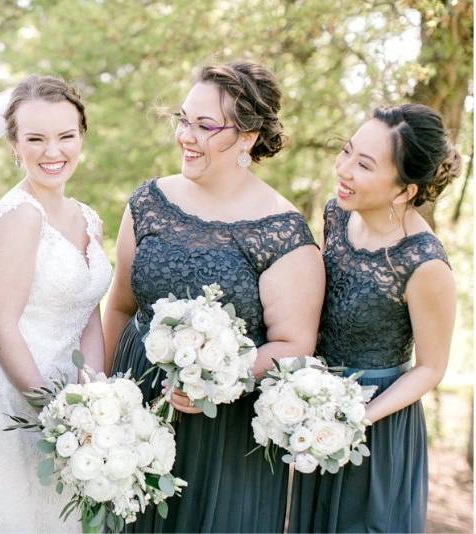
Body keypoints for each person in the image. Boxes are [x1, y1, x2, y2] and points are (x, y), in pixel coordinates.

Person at [102, 61, 325, 532]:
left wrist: (215, 377)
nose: (186, 135)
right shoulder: (148, 203)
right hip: (133, 405)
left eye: (206, 126)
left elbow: (293, 344)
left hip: (221, 431)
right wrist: (103, 401)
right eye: (184, 119)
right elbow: (120, 306)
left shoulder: (283, 234)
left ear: (247, 136)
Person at [0, 75, 112, 533]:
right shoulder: (17, 216)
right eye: (35, 139)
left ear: (81, 137)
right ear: (14, 147)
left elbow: (89, 317)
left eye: (65, 136)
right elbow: (0, 326)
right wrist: (54, 411)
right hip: (11, 402)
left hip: (70, 402)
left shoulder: (88, 218)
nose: (52, 151)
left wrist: (95, 399)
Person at [289, 103, 459, 533]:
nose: (343, 169)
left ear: (405, 191)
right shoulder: (336, 214)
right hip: (318, 408)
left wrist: (358, 418)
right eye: (345, 152)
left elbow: (431, 368)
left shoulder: (424, 263)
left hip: (378, 424)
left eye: (363, 164)